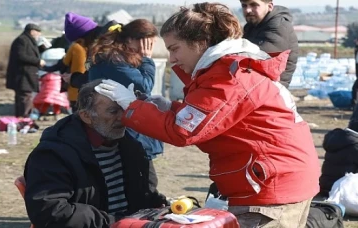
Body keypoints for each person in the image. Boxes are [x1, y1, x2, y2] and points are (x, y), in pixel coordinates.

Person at [95, 3, 320, 227]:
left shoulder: (228, 77)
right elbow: (210, 118)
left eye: (175, 49)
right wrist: (168, 107)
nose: (172, 59)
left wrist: (132, 105)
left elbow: (182, 131)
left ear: (200, 42)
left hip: (271, 188)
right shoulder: (228, 69)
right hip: (279, 178)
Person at [23, 79, 168, 228]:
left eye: (124, 109)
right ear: (86, 116)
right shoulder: (53, 154)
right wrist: (116, 222)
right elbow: (50, 211)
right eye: (113, 111)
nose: (122, 117)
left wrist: (168, 209)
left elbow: (147, 194)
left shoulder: (130, 145)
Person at [70, 19, 164, 160]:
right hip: (121, 129)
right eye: (147, 43)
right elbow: (144, 87)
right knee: (143, 179)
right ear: (132, 39)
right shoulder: (115, 60)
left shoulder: (115, 58)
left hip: (121, 128)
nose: (149, 48)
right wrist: (147, 59)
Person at [241, 0, 298, 88]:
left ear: (270, 6)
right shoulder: (252, 26)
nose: (248, 10)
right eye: (244, 6)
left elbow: (260, 57)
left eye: (254, 5)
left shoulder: (278, 26)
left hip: (271, 90)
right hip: (256, 86)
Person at [6, 23, 46, 117]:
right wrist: (38, 61)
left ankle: (22, 117)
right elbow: (21, 56)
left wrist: (41, 48)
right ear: (32, 32)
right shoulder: (22, 40)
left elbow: (30, 53)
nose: (39, 35)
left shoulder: (28, 40)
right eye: (38, 33)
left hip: (26, 74)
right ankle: (24, 118)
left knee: (25, 96)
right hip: (22, 75)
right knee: (25, 96)